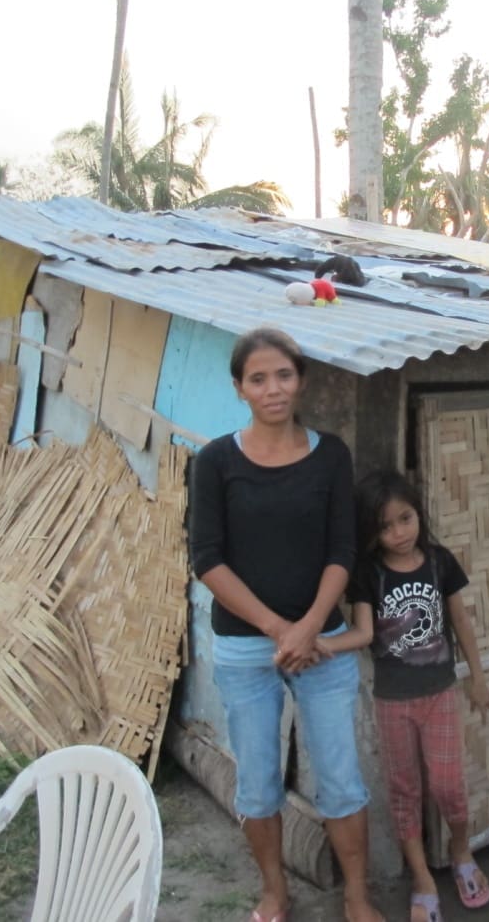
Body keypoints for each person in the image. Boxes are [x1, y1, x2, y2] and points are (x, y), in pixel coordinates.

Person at [187, 327, 383, 922]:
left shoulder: (331, 455)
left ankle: (356, 895)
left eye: (284, 375)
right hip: (248, 648)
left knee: (342, 780)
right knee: (258, 783)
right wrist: (280, 630)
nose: (273, 389)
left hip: (322, 643)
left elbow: (342, 550)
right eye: (258, 378)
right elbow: (207, 560)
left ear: (301, 380)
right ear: (240, 388)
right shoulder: (216, 461)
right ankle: (274, 891)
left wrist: (310, 628)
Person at [320, 469, 489, 922]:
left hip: (439, 693)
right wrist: (318, 644)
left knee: (448, 786)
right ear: (372, 532)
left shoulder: (439, 562)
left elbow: (460, 622)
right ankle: (421, 877)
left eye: (405, 519)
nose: (398, 533)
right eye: (385, 526)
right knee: (404, 790)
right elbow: (362, 632)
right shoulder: (369, 574)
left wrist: (477, 676)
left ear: (419, 514)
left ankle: (460, 852)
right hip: (393, 701)